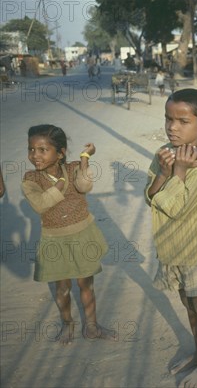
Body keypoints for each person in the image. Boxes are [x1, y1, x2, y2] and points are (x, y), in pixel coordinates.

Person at [145, 89, 197, 386]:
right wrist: (164, 173)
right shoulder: (164, 155)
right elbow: (151, 198)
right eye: (168, 119)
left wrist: (176, 172)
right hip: (172, 249)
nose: (172, 127)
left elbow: (175, 208)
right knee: (189, 305)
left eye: (183, 121)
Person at [21, 124, 116, 345]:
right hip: (54, 240)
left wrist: (84, 159)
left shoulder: (73, 168)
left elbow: (84, 186)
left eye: (43, 150)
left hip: (82, 235)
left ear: (61, 152)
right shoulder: (30, 179)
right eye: (31, 149)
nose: (35, 155)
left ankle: (91, 327)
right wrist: (62, 183)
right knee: (62, 288)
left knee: (86, 285)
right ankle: (67, 324)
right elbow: (41, 204)